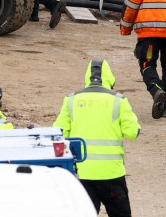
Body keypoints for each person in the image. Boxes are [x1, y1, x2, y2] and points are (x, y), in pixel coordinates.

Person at [54, 59, 140, 217]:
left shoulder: (71, 100)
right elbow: (132, 132)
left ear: (87, 78)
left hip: (83, 173)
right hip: (112, 174)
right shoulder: (119, 100)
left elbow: (59, 132)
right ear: (110, 78)